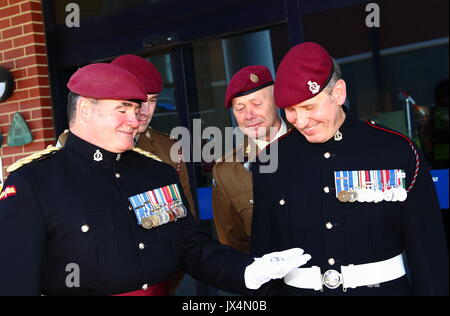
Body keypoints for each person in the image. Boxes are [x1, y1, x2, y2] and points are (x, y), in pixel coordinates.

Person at [0, 63, 311, 296]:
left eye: (136, 110)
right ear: (84, 110)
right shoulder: (34, 182)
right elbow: (15, 283)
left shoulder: (156, 172)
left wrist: (248, 272)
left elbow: (190, 248)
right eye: (122, 110)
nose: (135, 121)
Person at [250, 42, 449, 296]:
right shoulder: (270, 160)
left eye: (309, 107)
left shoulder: (397, 151)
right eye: (290, 110)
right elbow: (263, 257)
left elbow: (428, 254)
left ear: (339, 93)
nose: (300, 121)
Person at [56, 54, 197, 295]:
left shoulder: (170, 151)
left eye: (151, 100)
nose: (142, 112)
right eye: (129, 104)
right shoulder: (71, 147)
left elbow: (184, 229)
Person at [212, 65, 290, 253]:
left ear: (276, 101)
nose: (249, 115)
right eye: (240, 108)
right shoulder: (227, 170)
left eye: (257, 104)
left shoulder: (311, 143)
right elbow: (233, 244)